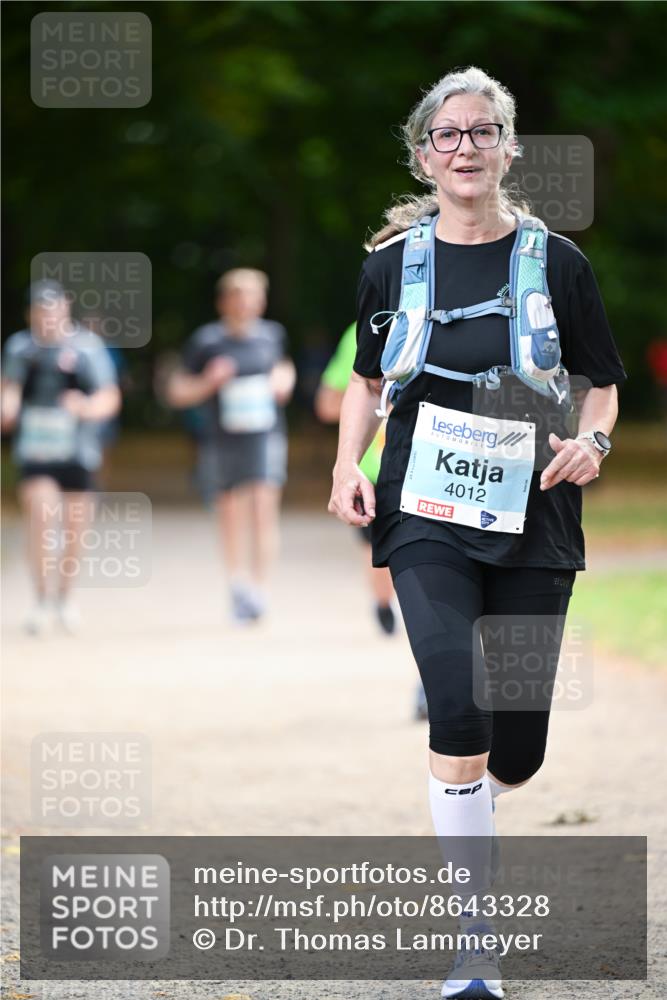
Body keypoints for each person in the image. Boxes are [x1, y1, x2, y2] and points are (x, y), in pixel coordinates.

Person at [328, 66, 626, 1000]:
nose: (464, 147)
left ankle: (464, 814)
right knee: (455, 706)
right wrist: (346, 466)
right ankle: (475, 946)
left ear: (505, 149)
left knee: (519, 751)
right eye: (447, 135)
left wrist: (594, 440)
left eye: (481, 132)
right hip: (427, 509)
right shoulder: (392, 265)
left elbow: (601, 380)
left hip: (535, 510)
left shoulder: (557, 264)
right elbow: (369, 384)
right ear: (425, 155)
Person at [167, 268, 296, 623]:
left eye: (252, 296)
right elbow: (177, 391)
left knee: (264, 507)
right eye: (237, 296)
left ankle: (260, 590)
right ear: (223, 302)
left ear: (261, 301)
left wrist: (283, 380)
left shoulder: (272, 336)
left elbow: (284, 368)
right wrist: (209, 382)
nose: (244, 304)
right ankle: (237, 584)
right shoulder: (207, 341)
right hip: (222, 439)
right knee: (230, 511)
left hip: (265, 435)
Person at [1, 280, 121, 634]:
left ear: (65, 309)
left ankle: (65, 598)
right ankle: (40, 599)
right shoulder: (20, 347)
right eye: (40, 311)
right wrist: (7, 405)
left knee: (74, 531)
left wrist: (85, 408)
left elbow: (109, 396)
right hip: (35, 450)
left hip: (79, 453)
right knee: (40, 516)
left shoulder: (87, 348)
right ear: (31, 313)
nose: (47, 317)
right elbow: (9, 387)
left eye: (53, 310)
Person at [316, 322, 398, 635]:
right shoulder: (363, 329)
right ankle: (383, 603)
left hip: (437, 463)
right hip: (374, 468)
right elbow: (327, 404)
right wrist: (387, 406)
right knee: (375, 543)